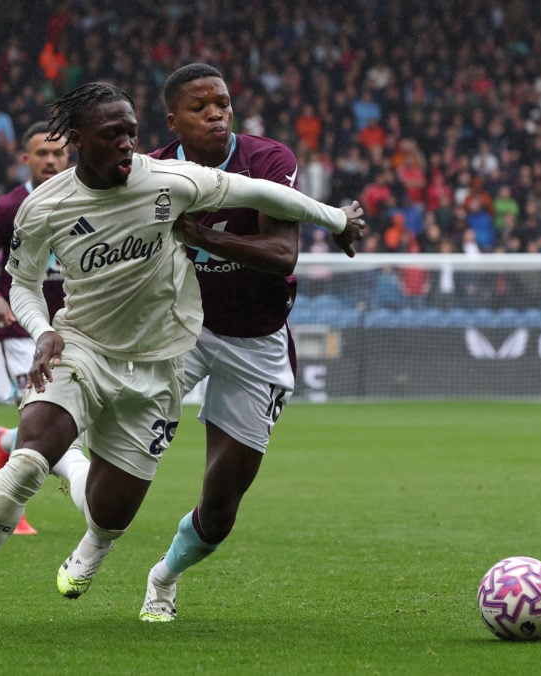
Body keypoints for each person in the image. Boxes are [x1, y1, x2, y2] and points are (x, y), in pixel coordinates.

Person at [0, 82, 364, 640]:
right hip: (82, 347)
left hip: (158, 365)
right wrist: (43, 329)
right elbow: (21, 282)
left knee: (109, 513)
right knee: (25, 464)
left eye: (131, 133)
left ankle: (87, 509)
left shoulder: (170, 181)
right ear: (76, 141)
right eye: (111, 135)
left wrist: (337, 220)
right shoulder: (43, 205)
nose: (126, 145)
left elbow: (266, 195)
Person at [136, 62, 361, 623]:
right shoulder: (153, 170)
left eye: (223, 104)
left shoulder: (267, 159)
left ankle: (163, 576)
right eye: (200, 107)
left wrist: (203, 234)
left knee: (220, 506)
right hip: (179, 330)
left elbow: (284, 254)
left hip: (254, 340)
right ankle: (90, 538)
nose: (216, 114)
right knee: (121, 440)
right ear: (173, 120)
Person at [0, 120, 80, 536]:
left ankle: (4, 441)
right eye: (42, 154)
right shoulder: (10, 207)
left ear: (69, 157)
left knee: (66, 420)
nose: (50, 161)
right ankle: (12, 511)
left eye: (58, 154)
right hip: (21, 331)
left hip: (73, 327)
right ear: (26, 159)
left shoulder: (85, 200)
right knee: (41, 421)